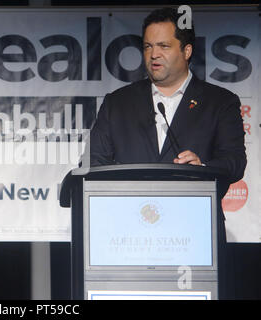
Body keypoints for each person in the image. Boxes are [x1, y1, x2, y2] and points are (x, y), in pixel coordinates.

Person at [89, 7, 247, 299]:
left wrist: (205, 166)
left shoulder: (220, 102)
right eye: (148, 46)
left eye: (163, 46)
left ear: (186, 50)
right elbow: (94, 164)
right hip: (126, 242)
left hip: (191, 239)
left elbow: (234, 161)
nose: (153, 54)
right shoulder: (117, 103)